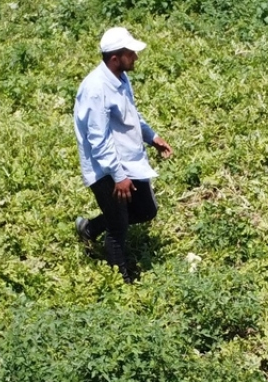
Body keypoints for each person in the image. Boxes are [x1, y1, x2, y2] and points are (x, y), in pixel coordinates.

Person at [73, 27, 172, 283]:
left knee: (146, 210)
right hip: (106, 169)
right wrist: (118, 176)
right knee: (118, 227)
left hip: (128, 160)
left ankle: (90, 228)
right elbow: (98, 139)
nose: (136, 58)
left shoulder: (120, 78)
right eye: (131, 54)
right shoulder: (96, 89)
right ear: (115, 58)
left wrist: (152, 137)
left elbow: (131, 115)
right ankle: (123, 284)